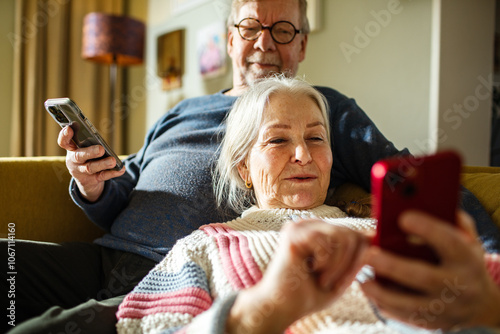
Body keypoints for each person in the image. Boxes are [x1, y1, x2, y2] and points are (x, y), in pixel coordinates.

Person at [2, 0, 499, 333]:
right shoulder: (182, 110)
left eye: (283, 30)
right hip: (105, 254)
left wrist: (486, 257)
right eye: (251, 27)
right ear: (231, 37)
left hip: (172, 273)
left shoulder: (318, 107)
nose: (265, 41)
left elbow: (406, 178)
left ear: (302, 45)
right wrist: (92, 183)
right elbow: (124, 186)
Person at [116, 76, 500, 333]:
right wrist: (258, 311)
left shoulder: (386, 231)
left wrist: (483, 299)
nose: (302, 154)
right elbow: (147, 327)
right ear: (244, 168)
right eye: (278, 141)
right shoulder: (204, 245)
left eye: (316, 139)